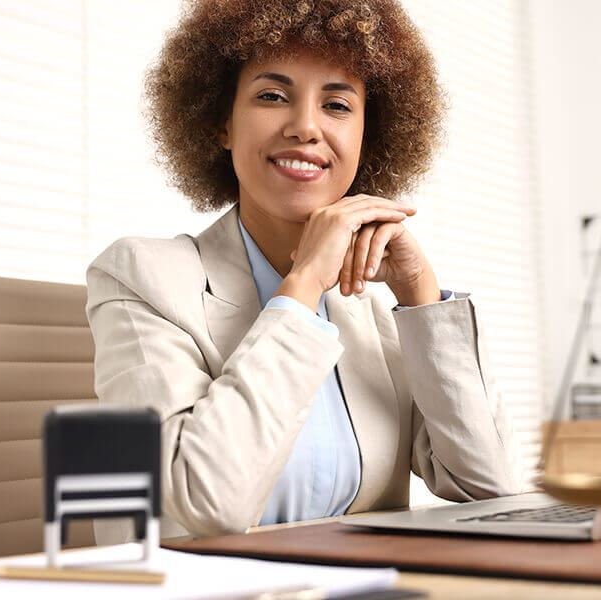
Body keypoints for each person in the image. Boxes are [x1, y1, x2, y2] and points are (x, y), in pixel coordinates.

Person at [87, 0, 527, 542]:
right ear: (221, 123)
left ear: (369, 133)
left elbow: (490, 485)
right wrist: (299, 291)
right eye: (272, 96)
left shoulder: (374, 307)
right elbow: (206, 503)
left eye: (338, 105)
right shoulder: (141, 276)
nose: (306, 127)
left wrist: (421, 299)